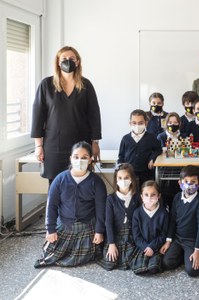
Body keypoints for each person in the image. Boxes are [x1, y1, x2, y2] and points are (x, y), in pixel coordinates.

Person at [31, 46, 102, 183]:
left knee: (82, 184)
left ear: (77, 62)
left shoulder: (86, 85)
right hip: (53, 146)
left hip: (81, 146)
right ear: (58, 62)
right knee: (56, 185)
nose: (67, 61)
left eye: (71, 59)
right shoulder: (46, 85)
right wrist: (38, 146)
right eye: (63, 59)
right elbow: (38, 116)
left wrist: (95, 143)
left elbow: (94, 116)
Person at [34, 141, 106, 268]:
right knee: (51, 253)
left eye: (84, 157)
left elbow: (101, 209)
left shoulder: (97, 182)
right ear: (70, 159)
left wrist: (99, 231)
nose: (80, 160)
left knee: (91, 253)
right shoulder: (60, 179)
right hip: (65, 224)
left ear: (90, 160)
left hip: (87, 226)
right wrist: (50, 229)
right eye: (76, 157)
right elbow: (52, 206)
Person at [161, 165, 199, 277]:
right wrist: (168, 240)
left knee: (193, 271)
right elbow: (173, 220)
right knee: (166, 263)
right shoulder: (177, 198)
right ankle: (185, 256)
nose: (189, 184)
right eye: (186, 181)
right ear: (180, 183)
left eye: (193, 181)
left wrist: (197, 250)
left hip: (192, 240)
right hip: (178, 239)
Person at [98, 163, 140, 270]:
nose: (123, 180)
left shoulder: (137, 198)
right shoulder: (111, 199)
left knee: (134, 262)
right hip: (116, 235)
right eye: (120, 178)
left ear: (132, 179)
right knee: (110, 263)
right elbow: (108, 222)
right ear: (116, 180)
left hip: (132, 235)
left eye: (126, 177)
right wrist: (111, 244)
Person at [118, 109, 162, 189]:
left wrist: (152, 158)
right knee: (132, 192)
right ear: (130, 123)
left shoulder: (151, 137)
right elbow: (121, 156)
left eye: (140, 123)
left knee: (145, 191)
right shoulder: (125, 138)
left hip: (146, 172)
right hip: (129, 173)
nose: (137, 125)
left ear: (146, 123)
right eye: (134, 123)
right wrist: (121, 170)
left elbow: (158, 150)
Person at [131, 180, 169, 275]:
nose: (149, 198)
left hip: (156, 246)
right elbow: (136, 236)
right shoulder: (137, 213)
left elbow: (163, 235)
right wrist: (146, 247)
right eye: (146, 195)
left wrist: (152, 247)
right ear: (142, 197)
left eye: (153, 195)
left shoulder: (163, 213)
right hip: (142, 246)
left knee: (154, 268)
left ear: (158, 196)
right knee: (139, 268)